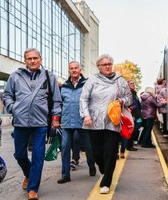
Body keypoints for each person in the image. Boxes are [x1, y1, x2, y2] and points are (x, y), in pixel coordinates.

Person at [3, 48, 62, 200]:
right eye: (29, 58)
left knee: (38, 156)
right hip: (20, 122)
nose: (33, 61)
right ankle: (29, 174)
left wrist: (56, 117)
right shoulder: (15, 76)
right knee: (20, 155)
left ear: (40, 59)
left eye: (35, 58)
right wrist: (12, 108)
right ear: (25, 60)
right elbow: (7, 95)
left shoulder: (49, 77)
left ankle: (33, 189)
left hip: (40, 123)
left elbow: (56, 99)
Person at [80, 54, 132, 194]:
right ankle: (104, 170)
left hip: (112, 121)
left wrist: (121, 101)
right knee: (96, 152)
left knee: (110, 152)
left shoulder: (119, 80)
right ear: (99, 67)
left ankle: (106, 182)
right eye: (104, 64)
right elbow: (84, 98)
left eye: (109, 63)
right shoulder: (92, 80)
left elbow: (129, 98)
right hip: (94, 121)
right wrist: (86, 115)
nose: (107, 66)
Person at [57, 61, 96, 184]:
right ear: (68, 70)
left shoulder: (87, 84)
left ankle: (91, 165)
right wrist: (56, 119)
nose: (73, 70)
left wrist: (89, 116)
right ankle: (65, 175)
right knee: (64, 147)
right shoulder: (64, 87)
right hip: (67, 122)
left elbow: (92, 102)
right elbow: (58, 104)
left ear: (80, 69)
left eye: (76, 68)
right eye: (71, 68)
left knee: (88, 147)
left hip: (82, 121)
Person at [126, 79, 142, 151]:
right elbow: (130, 105)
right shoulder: (129, 93)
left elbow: (137, 104)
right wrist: (132, 115)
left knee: (134, 130)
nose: (133, 85)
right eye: (131, 84)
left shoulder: (134, 93)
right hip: (132, 114)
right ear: (128, 85)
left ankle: (130, 145)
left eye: (133, 83)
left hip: (136, 114)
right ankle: (129, 146)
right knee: (131, 131)